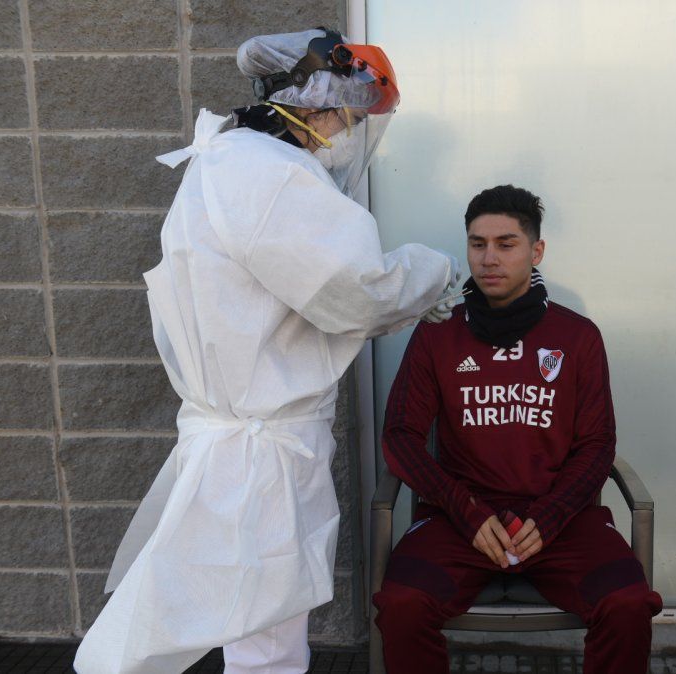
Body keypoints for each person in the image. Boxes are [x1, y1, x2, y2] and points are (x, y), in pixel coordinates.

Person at [75, 27, 461, 674]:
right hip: (262, 452)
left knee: (238, 613)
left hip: (238, 437)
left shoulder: (227, 163)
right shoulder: (274, 178)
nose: (348, 134)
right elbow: (356, 290)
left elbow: (287, 300)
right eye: (349, 115)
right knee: (266, 637)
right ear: (314, 102)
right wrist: (439, 271)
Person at [373, 185, 663, 673]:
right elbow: (401, 435)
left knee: (628, 604)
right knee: (401, 605)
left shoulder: (576, 335)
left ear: (536, 251)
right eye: (477, 244)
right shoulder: (437, 331)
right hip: (460, 519)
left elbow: (597, 444)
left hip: (559, 521)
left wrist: (550, 517)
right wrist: (463, 509)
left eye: (506, 244)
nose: (489, 258)